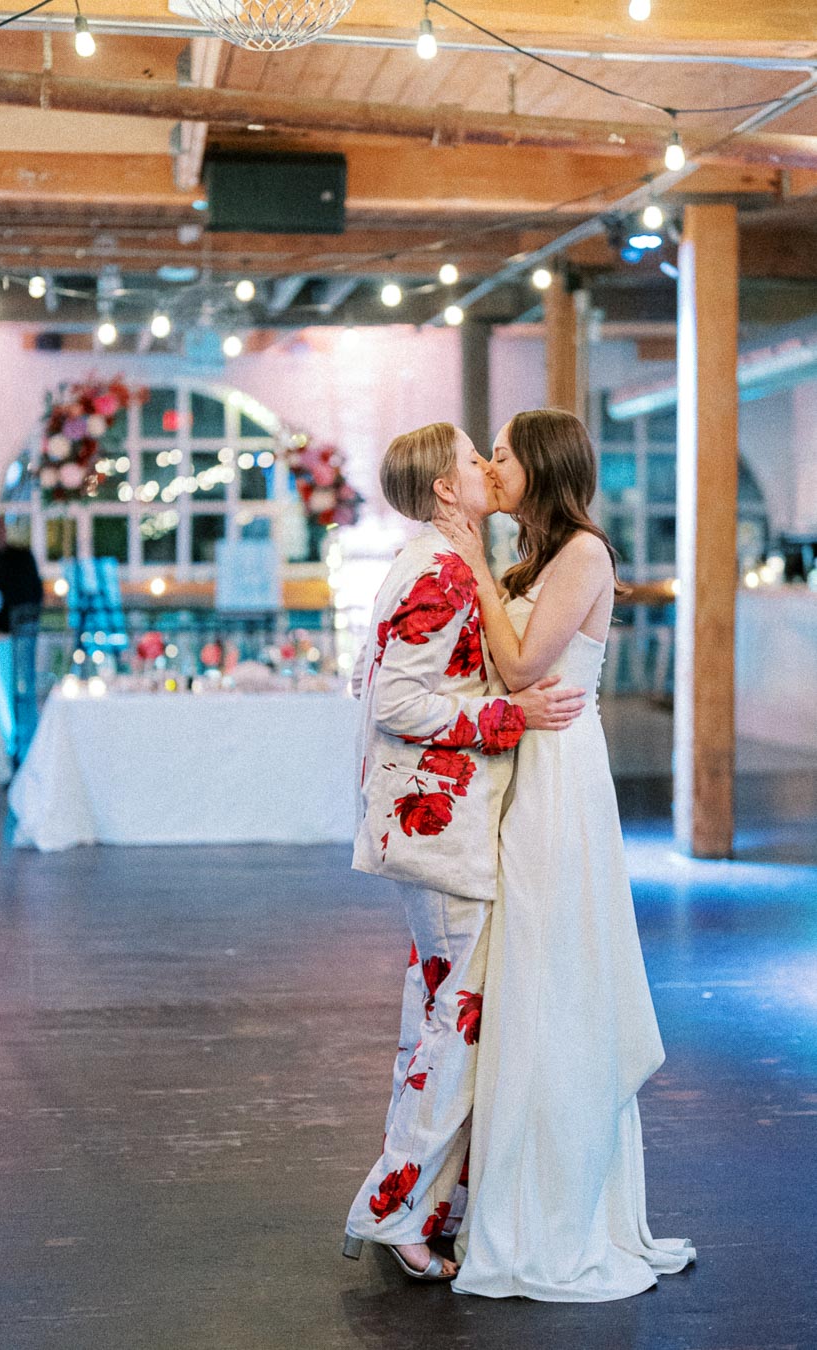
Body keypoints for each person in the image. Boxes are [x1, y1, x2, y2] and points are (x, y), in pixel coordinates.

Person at [434, 409, 695, 1301]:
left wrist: (468, 561)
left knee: (553, 977)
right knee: (520, 982)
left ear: (539, 467)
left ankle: (555, 1209)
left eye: (502, 455)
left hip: (556, 780)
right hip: (521, 768)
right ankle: (511, 1190)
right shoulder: (533, 561)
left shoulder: (583, 553)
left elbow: (520, 669)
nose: (492, 466)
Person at [343, 422, 586, 1282]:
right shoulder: (441, 573)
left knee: (435, 1020)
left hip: (428, 830)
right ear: (447, 489)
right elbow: (397, 703)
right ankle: (397, 1209)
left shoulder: (433, 563)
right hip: (438, 834)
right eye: (473, 459)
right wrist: (508, 717)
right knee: (456, 1032)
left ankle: (417, 1198)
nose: (487, 467)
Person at [0, 515, 43, 635]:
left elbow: (35, 588)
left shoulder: (23, 556)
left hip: (22, 621)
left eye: (0, 527)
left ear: (5, 529)